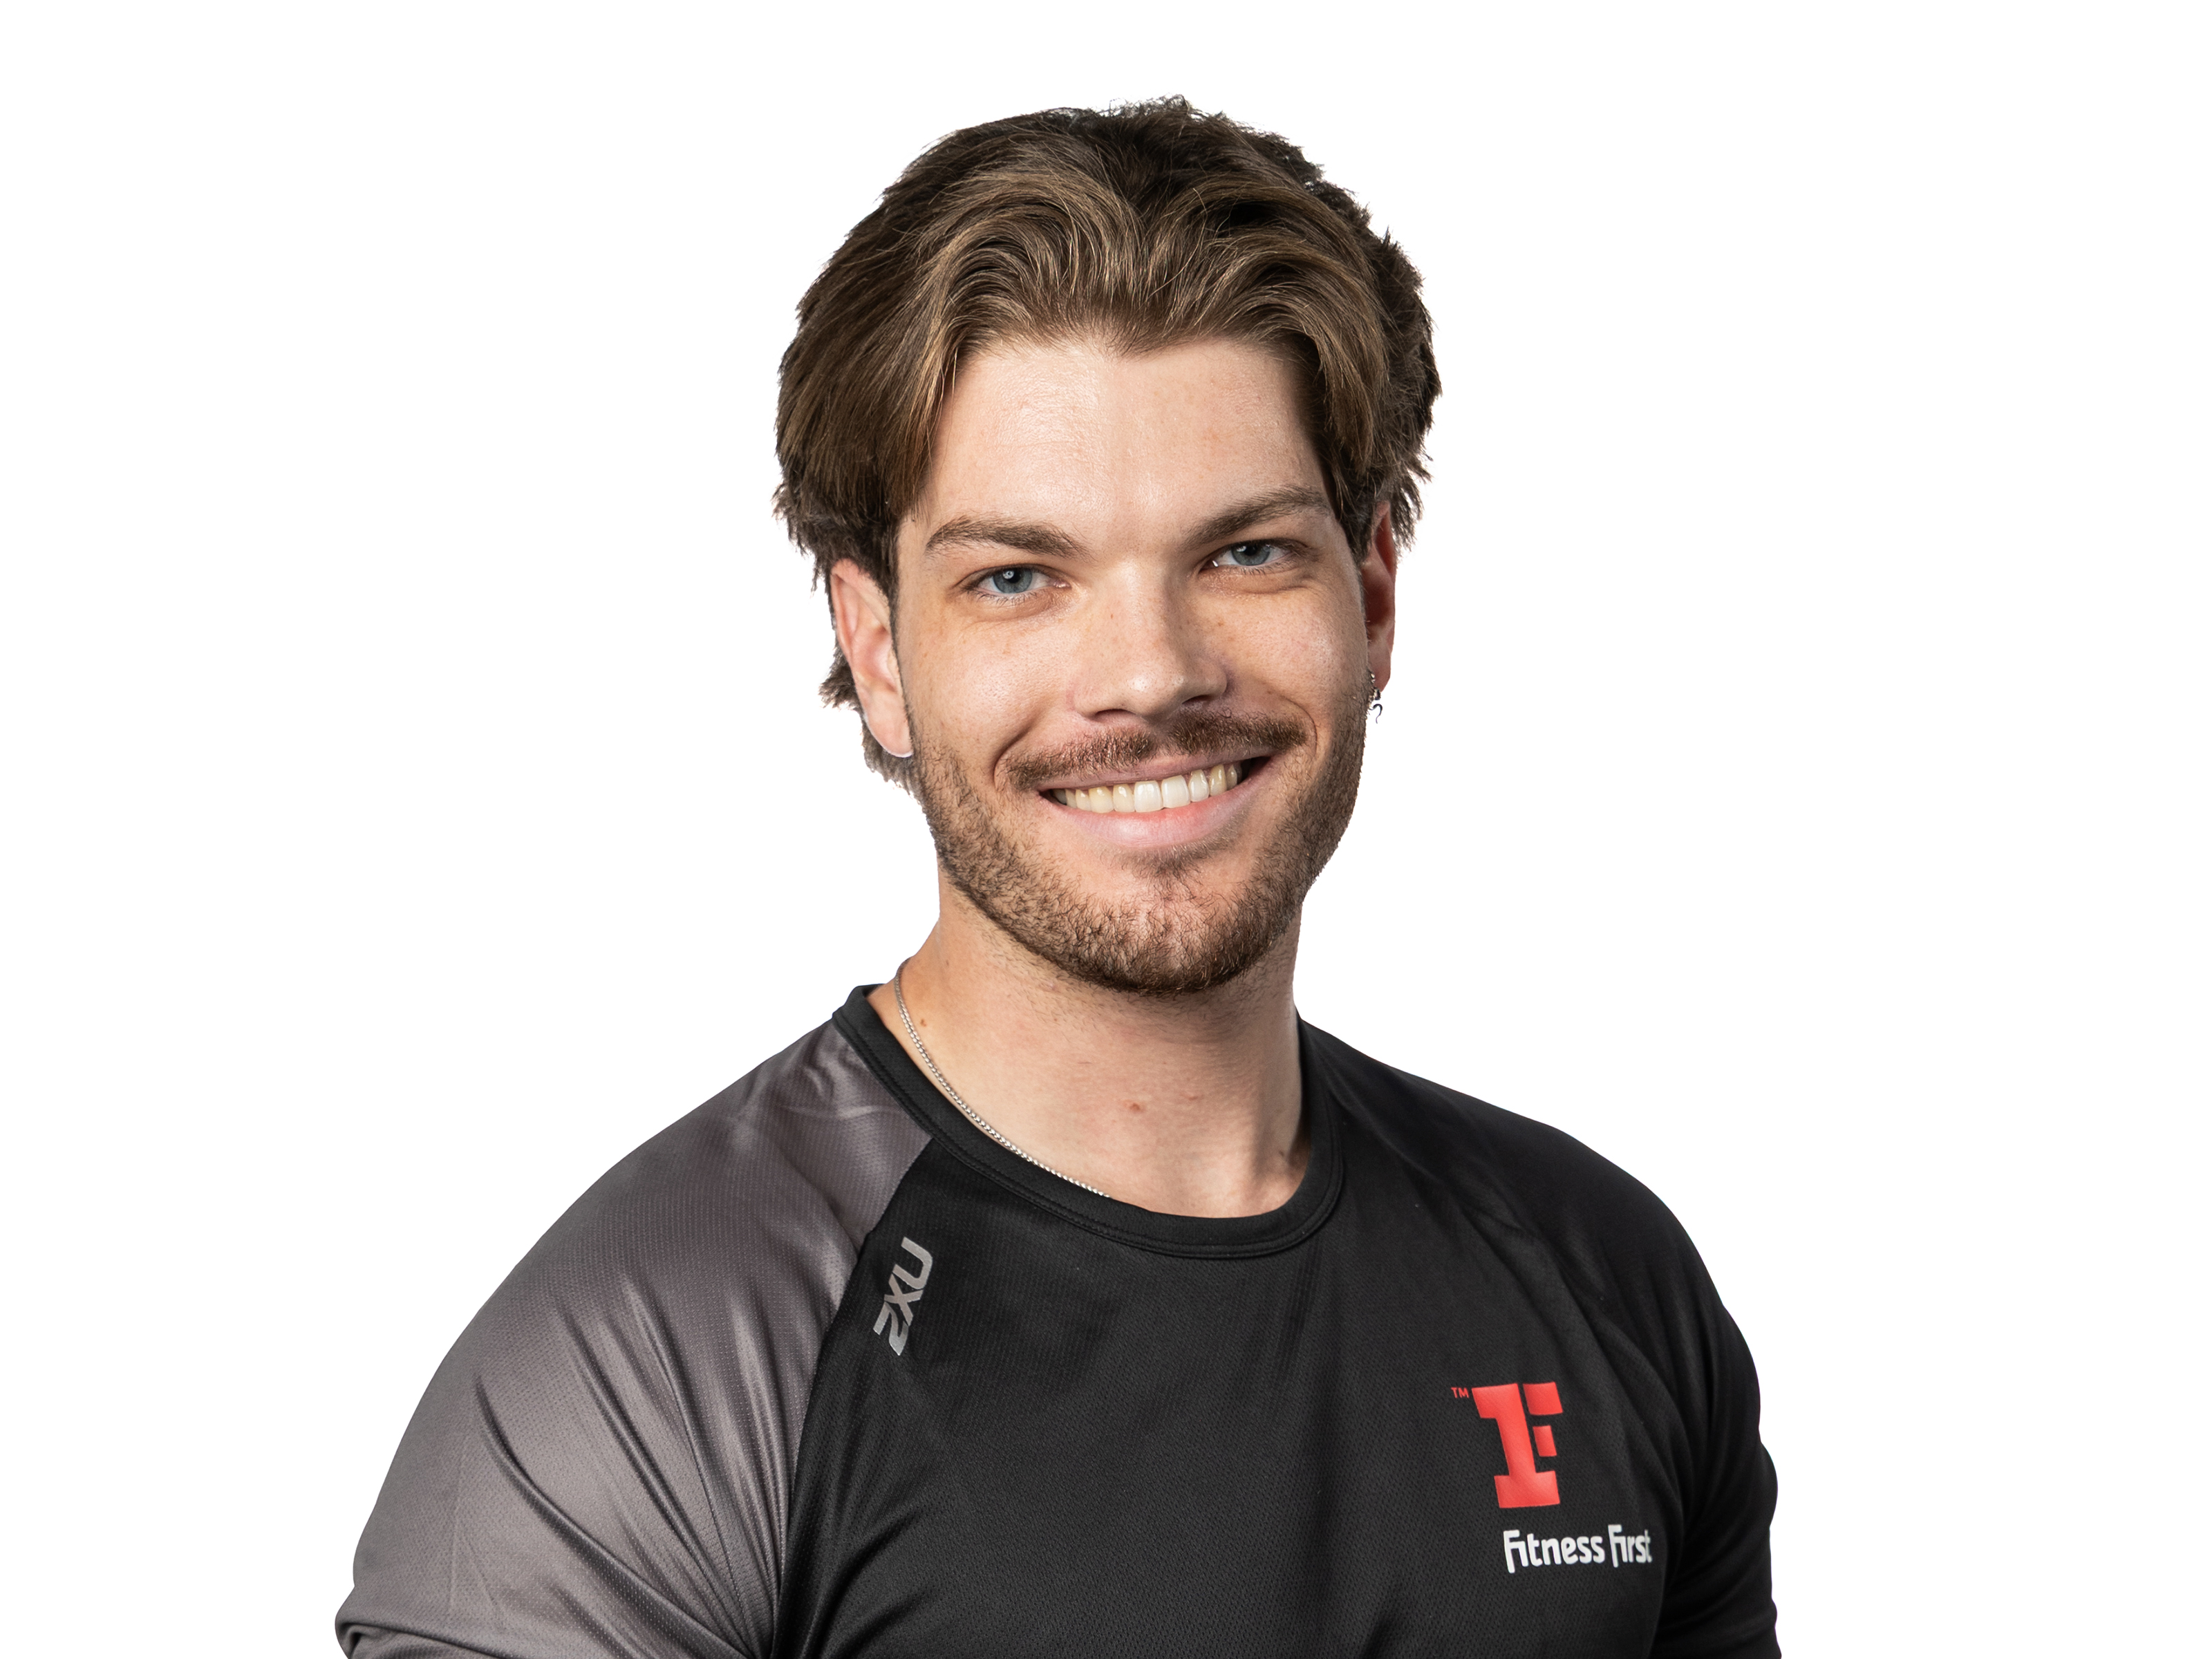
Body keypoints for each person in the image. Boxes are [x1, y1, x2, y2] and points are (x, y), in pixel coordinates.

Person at [338, 97, 1778, 1658]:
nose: (1149, 674)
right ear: (877, 651)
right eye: (1018, 577)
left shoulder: (1604, 1278)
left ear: (1371, 594)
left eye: (1245, 553)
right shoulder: (649, 1375)